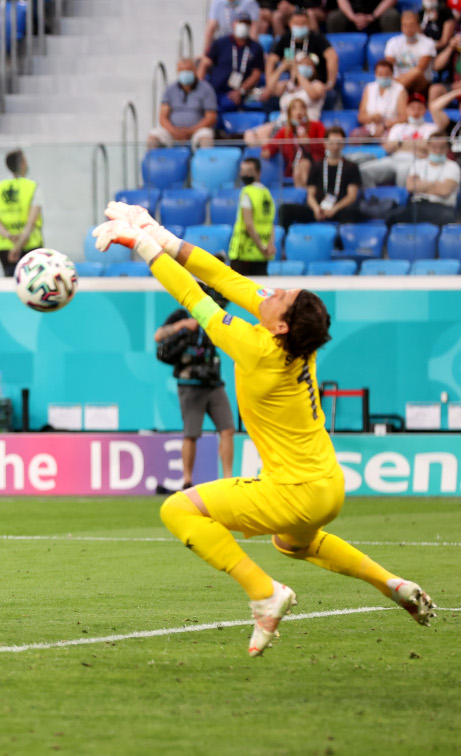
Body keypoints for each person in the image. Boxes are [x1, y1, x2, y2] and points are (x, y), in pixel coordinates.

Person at [92, 204, 435, 658]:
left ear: (281, 325)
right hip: (328, 486)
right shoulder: (292, 338)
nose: (272, 292)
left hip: (292, 491)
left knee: (178, 510)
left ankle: (264, 593)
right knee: (292, 543)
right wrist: (155, 228)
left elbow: (194, 295)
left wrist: (141, 245)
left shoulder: (257, 348)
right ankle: (391, 583)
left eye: (282, 295)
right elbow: (225, 278)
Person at [153, 292, 235, 493]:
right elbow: (158, 335)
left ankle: (228, 480)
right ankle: (187, 481)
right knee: (191, 434)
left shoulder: (217, 316)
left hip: (213, 381)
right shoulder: (182, 314)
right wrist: (183, 325)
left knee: (228, 429)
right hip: (189, 384)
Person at [279, 126, 363, 230]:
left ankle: (341, 243)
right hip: (319, 209)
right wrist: (316, 209)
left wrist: (334, 209)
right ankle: (284, 241)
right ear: (325, 143)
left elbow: (351, 196)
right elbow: (310, 194)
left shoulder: (351, 167)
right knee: (285, 210)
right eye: (332, 143)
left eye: (339, 143)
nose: (335, 146)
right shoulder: (317, 166)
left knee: (351, 215)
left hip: (339, 209)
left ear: (343, 144)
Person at [358, 92, 437, 185]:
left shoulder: (432, 128)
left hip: (415, 160)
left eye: (419, 108)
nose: (415, 112)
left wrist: (400, 143)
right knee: (363, 170)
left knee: (403, 173)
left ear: (425, 110)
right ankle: (372, 197)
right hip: (394, 158)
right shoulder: (398, 127)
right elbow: (388, 147)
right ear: (407, 110)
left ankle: (402, 199)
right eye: (412, 108)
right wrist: (416, 145)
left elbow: (428, 147)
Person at [385, 132, 461, 225]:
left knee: (447, 219)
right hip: (417, 204)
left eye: (442, 147)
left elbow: (444, 191)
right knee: (391, 218)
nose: (438, 151)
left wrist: (422, 185)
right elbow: (411, 187)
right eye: (434, 147)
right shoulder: (418, 164)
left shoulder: (453, 166)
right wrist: (435, 184)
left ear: (447, 148)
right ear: (428, 146)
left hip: (441, 207)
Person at [0, 148, 43, 277]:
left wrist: (9, 236)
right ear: (22, 164)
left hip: (5, 246)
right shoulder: (33, 187)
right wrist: (18, 245)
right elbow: (31, 222)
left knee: (11, 287)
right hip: (30, 245)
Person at [199, 12, 265, 113]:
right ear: (234, 24)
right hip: (214, 89)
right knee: (206, 104)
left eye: (246, 24)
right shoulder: (221, 42)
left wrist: (241, 91)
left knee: (228, 104)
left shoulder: (255, 48)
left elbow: (256, 74)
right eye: (240, 23)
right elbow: (205, 63)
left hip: (235, 91)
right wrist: (200, 87)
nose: (243, 26)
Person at [147, 58, 218, 150]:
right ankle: (152, 163)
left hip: (197, 131)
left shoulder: (206, 89)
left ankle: (205, 163)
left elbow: (211, 117)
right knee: (153, 136)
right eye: (181, 70)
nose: (185, 73)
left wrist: (190, 131)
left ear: (195, 70)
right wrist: (175, 132)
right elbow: (162, 117)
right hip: (173, 131)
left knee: (205, 137)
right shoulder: (170, 89)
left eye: (188, 70)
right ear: (177, 72)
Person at [264, 9, 338, 96]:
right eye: (296, 23)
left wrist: (330, 83)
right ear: (290, 24)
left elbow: (332, 56)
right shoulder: (285, 39)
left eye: (303, 23)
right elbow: (271, 60)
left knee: (327, 94)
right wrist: (269, 84)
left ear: (308, 24)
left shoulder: (317, 37)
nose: (299, 26)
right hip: (292, 83)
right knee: (270, 95)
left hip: (316, 84)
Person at [228, 157, 275, 275]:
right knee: (261, 291)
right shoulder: (266, 193)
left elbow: (248, 224)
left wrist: (261, 247)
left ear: (258, 173)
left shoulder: (247, 192)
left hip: (244, 251)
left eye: (249, 171)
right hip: (262, 253)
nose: (244, 174)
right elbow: (271, 224)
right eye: (242, 170)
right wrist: (269, 245)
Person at [264, 97, 325, 187]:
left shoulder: (316, 126)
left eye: (302, 108)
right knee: (299, 169)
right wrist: (267, 150)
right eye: (294, 108)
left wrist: (309, 143)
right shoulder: (285, 131)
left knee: (304, 166)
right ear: (289, 114)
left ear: (306, 111)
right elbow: (272, 145)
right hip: (294, 167)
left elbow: (325, 147)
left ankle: (307, 197)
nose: (299, 111)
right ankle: (303, 197)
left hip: (317, 165)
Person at [384, 11, 436, 94]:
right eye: (405, 25)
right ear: (401, 27)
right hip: (400, 82)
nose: (408, 29)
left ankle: (392, 91)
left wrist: (396, 81)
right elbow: (389, 65)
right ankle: (394, 90)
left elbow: (420, 68)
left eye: (412, 25)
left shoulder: (428, 43)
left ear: (418, 26)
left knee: (416, 72)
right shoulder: (393, 42)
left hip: (421, 84)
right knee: (383, 73)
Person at [355, 58, 407, 138]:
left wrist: (385, 125)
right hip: (370, 127)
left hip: (391, 128)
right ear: (375, 74)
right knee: (355, 135)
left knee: (388, 138)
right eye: (380, 74)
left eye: (387, 74)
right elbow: (361, 117)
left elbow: (403, 118)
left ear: (392, 74)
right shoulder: (369, 88)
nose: (383, 77)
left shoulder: (400, 90)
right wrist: (372, 118)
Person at [327, 0, 401, 34]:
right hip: (352, 13)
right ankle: (335, 52)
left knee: (391, 16)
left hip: (378, 13)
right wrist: (352, 17)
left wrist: (373, 16)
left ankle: (391, 51)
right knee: (334, 18)